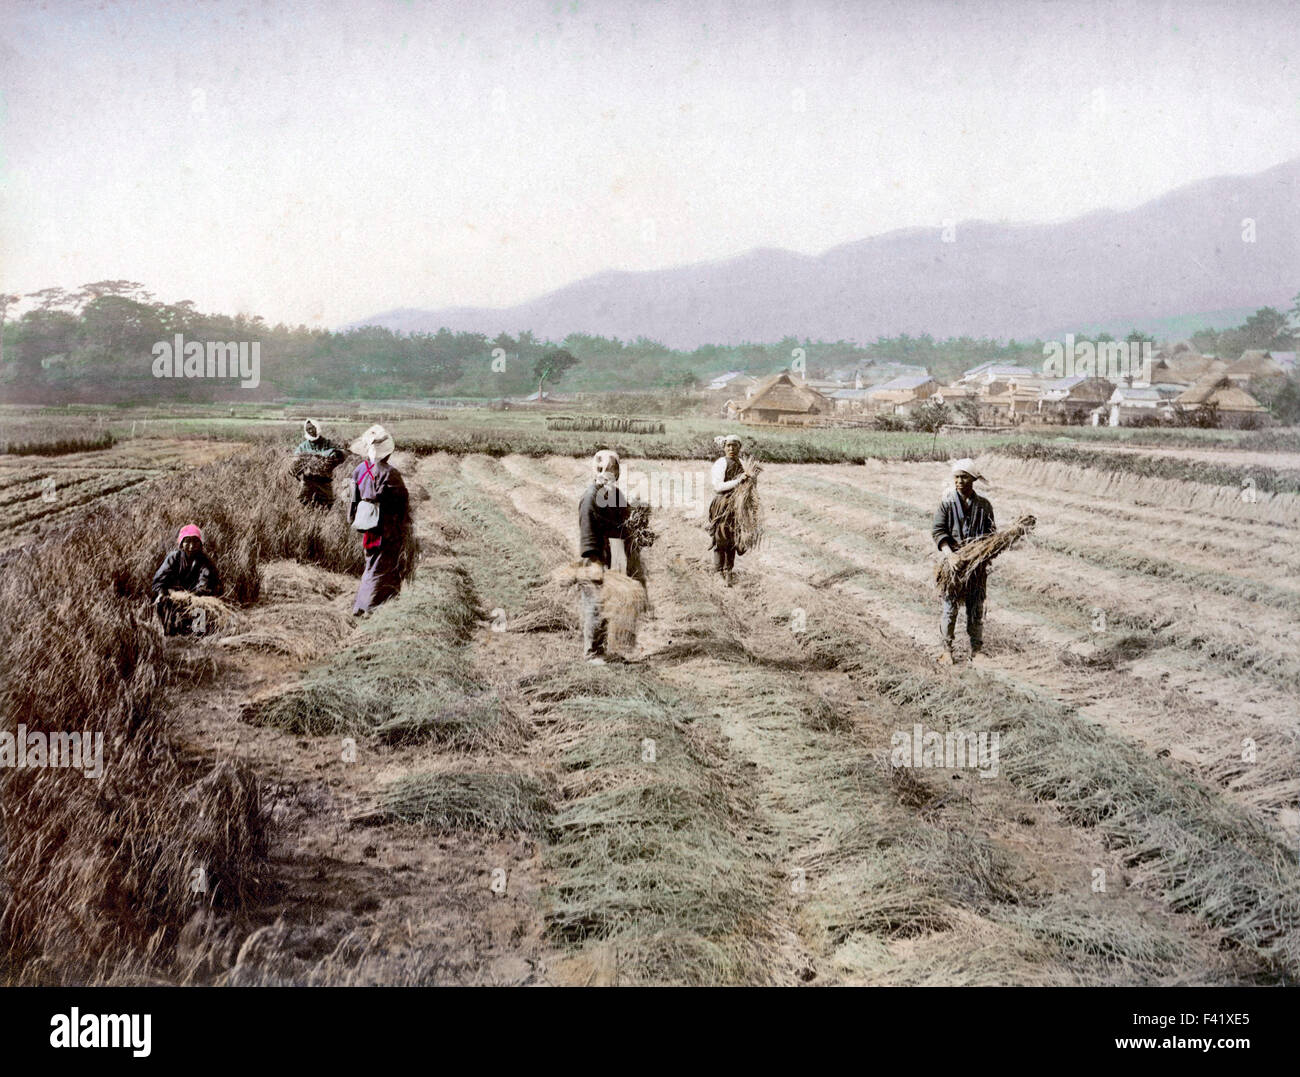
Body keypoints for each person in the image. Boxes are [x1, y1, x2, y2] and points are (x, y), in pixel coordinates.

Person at [932, 458, 996, 664]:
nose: (959, 481)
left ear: (973, 480)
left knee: (975, 607)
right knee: (950, 608)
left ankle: (976, 649)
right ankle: (946, 650)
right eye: (957, 477)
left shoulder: (984, 506)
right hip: (954, 564)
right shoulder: (947, 503)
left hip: (976, 568)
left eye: (964, 477)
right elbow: (938, 531)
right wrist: (950, 555)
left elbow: (991, 535)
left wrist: (984, 555)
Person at [347, 424, 409, 615]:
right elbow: (402, 502)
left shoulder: (359, 469)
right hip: (386, 526)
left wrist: (353, 518)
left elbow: (353, 498)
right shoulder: (390, 473)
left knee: (371, 562)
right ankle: (366, 607)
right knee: (379, 567)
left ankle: (368, 603)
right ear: (388, 452)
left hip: (367, 524)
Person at [576, 449, 629, 663]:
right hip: (596, 556)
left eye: (613, 469)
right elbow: (587, 528)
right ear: (596, 470)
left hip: (613, 555)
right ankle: (591, 653)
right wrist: (593, 558)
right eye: (604, 469)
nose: (608, 472)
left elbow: (622, 524)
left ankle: (602, 649)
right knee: (594, 601)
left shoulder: (615, 495)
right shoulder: (591, 496)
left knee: (608, 602)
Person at [151, 524, 222, 635]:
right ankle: (168, 633)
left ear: (200, 544)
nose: (191, 545)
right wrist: (166, 592)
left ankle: (198, 635)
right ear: (181, 543)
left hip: (195, 597)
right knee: (164, 604)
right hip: (172, 596)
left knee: (200, 608)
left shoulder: (205, 561)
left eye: (195, 541)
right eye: (187, 541)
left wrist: (191, 596)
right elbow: (159, 581)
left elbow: (205, 584)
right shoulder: (173, 558)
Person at [707, 434, 756, 585]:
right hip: (723, 503)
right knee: (720, 536)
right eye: (728, 445)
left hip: (739, 505)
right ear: (723, 447)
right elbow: (718, 486)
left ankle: (729, 571)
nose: (731, 448)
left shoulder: (743, 463)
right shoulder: (721, 463)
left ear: (739, 447)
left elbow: (749, 485)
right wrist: (738, 481)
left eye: (734, 445)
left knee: (734, 538)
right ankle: (718, 571)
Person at [293, 418, 346, 507]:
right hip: (308, 483)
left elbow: (341, 456)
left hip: (324, 483)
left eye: (312, 428)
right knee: (306, 506)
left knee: (326, 507)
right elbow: (295, 465)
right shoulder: (302, 447)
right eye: (308, 429)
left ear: (317, 428)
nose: (310, 431)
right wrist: (301, 476)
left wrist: (335, 455)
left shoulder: (328, 443)